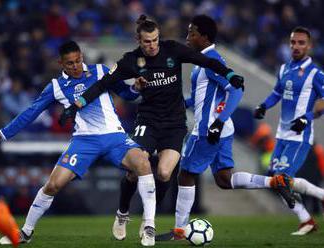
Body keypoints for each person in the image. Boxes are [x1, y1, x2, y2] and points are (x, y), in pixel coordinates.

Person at [59, 14, 245, 241]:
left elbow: (205, 61)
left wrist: (230, 74)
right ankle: (123, 213)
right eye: (147, 41)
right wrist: (76, 106)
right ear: (139, 40)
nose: (152, 45)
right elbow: (103, 84)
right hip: (147, 121)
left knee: (165, 173)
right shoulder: (130, 60)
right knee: (134, 170)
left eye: (155, 40)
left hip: (175, 124)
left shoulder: (173, 50)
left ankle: (149, 220)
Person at [0, 41, 157, 246]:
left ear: (82, 56)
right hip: (84, 141)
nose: (76, 66)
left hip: (115, 137)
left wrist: (135, 88)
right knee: (53, 185)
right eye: (70, 63)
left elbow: (126, 94)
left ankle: (149, 226)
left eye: (78, 60)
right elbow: (31, 113)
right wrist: (2, 134)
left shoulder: (100, 71)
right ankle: (25, 232)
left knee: (143, 162)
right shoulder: (56, 87)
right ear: (61, 63)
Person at [155, 15, 295, 241]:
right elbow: (205, 97)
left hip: (207, 129)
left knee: (185, 175)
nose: (188, 37)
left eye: (192, 33)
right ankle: (274, 181)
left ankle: (179, 231)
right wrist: (183, 104)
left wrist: (217, 123)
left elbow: (236, 90)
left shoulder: (212, 61)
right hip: (221, 129)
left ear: (204, 37)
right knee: (224, 179)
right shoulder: (203, 61)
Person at [254, 27, 324, 235]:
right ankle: (307, 220)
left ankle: (314, 206)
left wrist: (307, 118)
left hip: (299, 136)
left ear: (309, 46)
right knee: (275, 181)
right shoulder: (284, 68)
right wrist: (263, 106)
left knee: (282, 179)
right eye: (293, 42)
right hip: (281, 135)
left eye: (301, 43)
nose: (296, 46)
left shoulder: (316, 73)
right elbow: (277, 92)